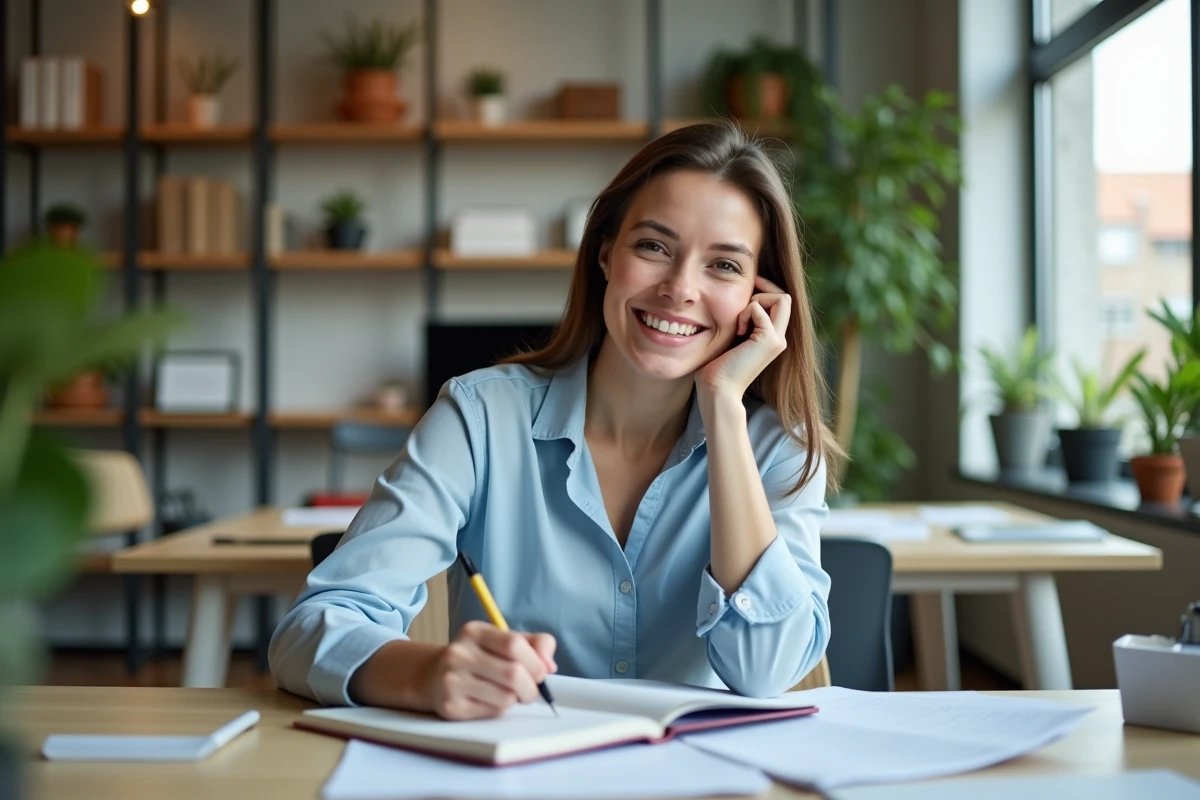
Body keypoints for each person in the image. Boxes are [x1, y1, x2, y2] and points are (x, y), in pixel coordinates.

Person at [269, 120, 844, 720]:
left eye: (723, 266)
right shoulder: (481, 418)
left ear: (761, 297)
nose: (679, 288)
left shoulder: (779, 448)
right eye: (654, 247)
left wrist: (723, 406)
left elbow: (767, 670)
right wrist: (427, 673)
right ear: (605, 254)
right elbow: (310, 629)